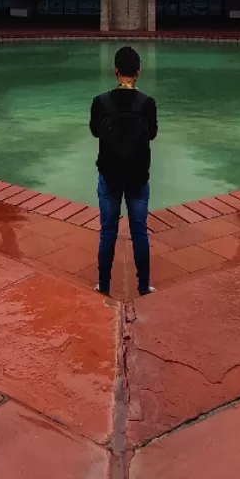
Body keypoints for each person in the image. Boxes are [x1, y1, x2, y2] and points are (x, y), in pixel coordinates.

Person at [90, 45, 158, 297]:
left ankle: (104, 286)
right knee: (139, 231)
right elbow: (151, 133)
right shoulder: (147, 103)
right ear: (137, 72)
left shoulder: (100, 102)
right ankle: (143, 287)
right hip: (138, 178)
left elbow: (96, 131)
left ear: (115, 71)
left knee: (108, 231)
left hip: (109, 176)